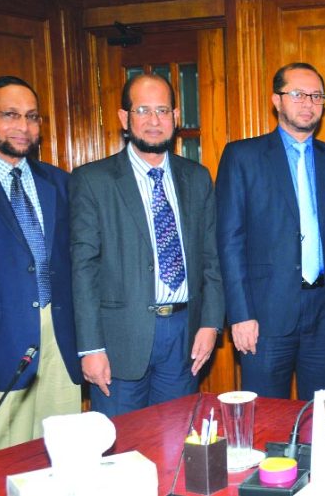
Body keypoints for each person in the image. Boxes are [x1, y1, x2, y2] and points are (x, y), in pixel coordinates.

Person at [71, 74, 224, 418]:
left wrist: (211, 324)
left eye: (163, 110)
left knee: (176, 442)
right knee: (120, 450)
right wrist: (90, 348)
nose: (154, 121)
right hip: (118, 341)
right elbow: (84, 270)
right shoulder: (93, 181)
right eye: (143, 110)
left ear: (175, 117)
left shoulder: (197, 177)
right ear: (124, 118)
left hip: (184, 336)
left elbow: (211, 258)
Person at [216, 63, 325, 400]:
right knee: (265, 423)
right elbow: (229, 241)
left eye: (316, 96)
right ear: (276, 100)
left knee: (323, 420)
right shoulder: (243, 157)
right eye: (297, 94)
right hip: (264, 316)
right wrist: (240, 315)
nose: (307, 102)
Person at [0, 76, 81, 456]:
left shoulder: (61, 183)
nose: (24, 126)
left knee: (61, 463)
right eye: (10, 115)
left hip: (60, 345)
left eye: (32, 117)